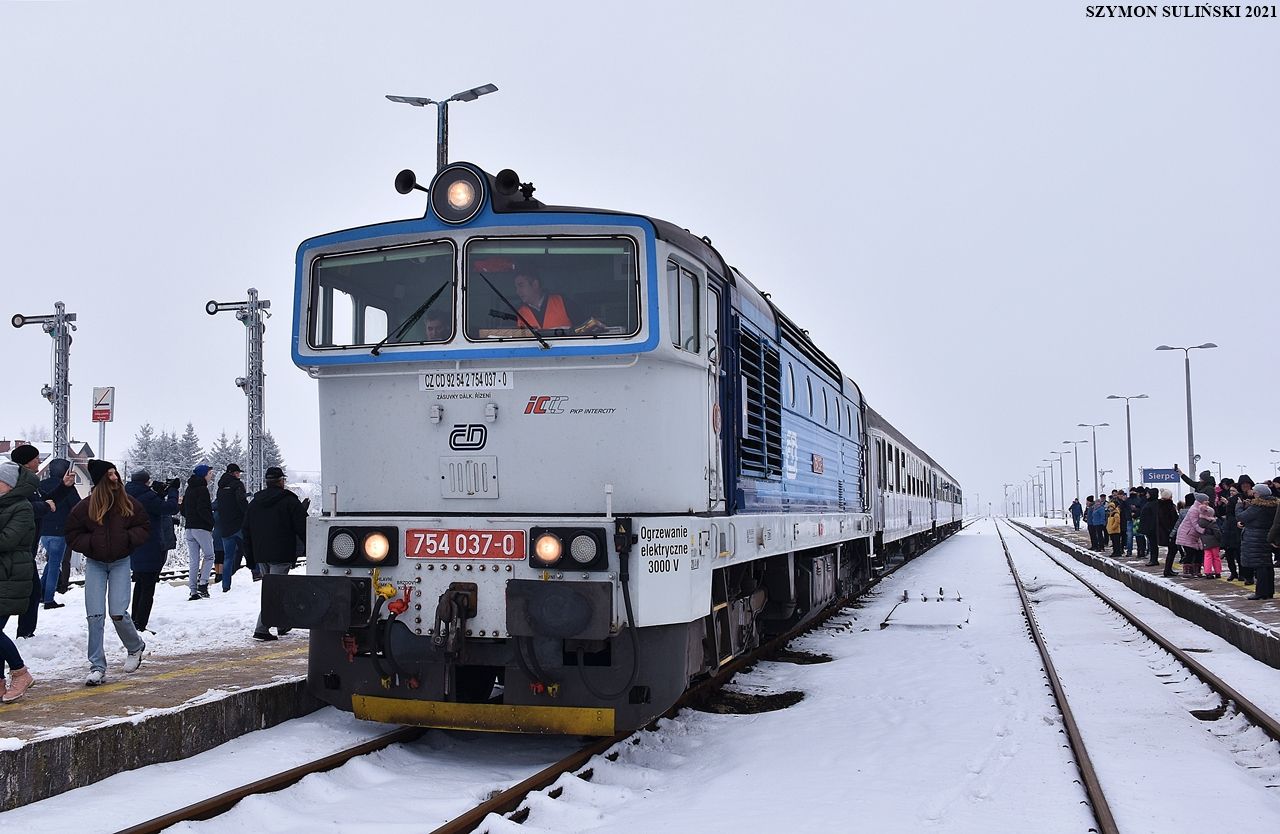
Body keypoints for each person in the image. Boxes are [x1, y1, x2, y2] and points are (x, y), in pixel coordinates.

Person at [63, 460, 149, 686]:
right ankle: (97, 666)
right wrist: (91, 542)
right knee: (95, 615)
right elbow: (72, 533)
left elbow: (143, 526)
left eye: (115, 473)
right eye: (110, 474)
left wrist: (127, 539)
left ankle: (135, 646)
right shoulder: (86, 507)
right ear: (101, 479)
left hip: (121, 561)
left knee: (118, 612)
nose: (115, 478)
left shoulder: (128, 503)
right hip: (95, 563)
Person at [242, 467, 307, 641]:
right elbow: (303, 527)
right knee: (275, 592)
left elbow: (246, 531)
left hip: (261, 553)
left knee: (273, 589)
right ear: (281, 481)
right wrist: (310, 548)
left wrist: (250, 557)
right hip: (281, 553)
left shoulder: (254, 503)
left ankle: (281, 623)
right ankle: (261, 628)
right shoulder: (289, 501)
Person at [123, 471, 179, 633]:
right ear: (147, 482)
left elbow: (152, 509)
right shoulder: (148, 497)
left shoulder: (127, 495)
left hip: (135, 545)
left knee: (140, 584)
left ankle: (135, 620)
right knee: (148, 588)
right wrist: (173, 491)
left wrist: (158, 495)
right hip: (151, 545)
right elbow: (171, 508)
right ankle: (141, 624)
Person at [0, 461, 37, 703]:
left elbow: (6, 541)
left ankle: (20, 673)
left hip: (12, 575)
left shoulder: (22, 508)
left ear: (10, 485)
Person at [36, 457, 80, 609]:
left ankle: (40, 592)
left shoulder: (40, 485)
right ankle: (48, 599)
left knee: (51, 562)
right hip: (60, 531)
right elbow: (78, 507)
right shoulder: (68, 488)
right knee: (55, 565)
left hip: (42, 531)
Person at [181, 464, 216, 600]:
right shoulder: (202, 490)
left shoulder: (189, 489)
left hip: (189, 528)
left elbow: (183, 509)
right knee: (209, 556)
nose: (211, 476)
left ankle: (193, 591)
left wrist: (191, 518)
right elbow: (203, 509)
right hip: (201, 528)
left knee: (194, 560)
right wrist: (211, 522)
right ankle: (203, 584)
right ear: (203, 475)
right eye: (209, 473)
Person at [216, 463, 252, 590]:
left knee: (228, 558)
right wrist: (248, 514)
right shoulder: (238, 485)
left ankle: (225, 585)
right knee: (251, 550)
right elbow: (242, 502)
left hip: (225, 527)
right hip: (239, 525)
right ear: (233, 473)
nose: (239, 475)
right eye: (237, 472)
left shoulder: (220, 488)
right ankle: (257, 575)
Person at [1238, 483, 1277, 600]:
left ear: (1259, 494)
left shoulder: (1258, 506)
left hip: (1255, 538)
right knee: (1267, 564)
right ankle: (1269, 591)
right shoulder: (1273, 505)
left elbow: (1241, 517)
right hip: (1267, 536)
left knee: (1260, 566)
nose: (1252, 494)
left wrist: (1239, 506)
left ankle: (1260, 592)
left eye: (1254, 492)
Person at [1175, 493, 1214, 578]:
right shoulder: (1194, 510)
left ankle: (1197, 571)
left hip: (1195, 535)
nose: (1207, 502)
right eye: (1206, 500)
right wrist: (1204, 531)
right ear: (1200, 501)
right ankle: (1187, 571)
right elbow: (1195, 524)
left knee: (1199, 552)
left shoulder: (1202, 508)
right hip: (1187, 534)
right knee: (1190, 552)